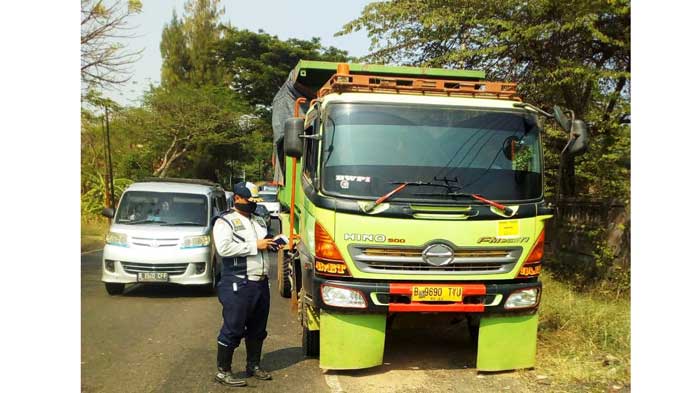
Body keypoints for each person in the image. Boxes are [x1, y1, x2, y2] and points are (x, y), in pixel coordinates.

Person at [212, 182, 278, 387]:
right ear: (238, 198)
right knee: (233, 327)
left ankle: (253, 365)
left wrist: (276, 243)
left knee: (258, 328)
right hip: (238, 281)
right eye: (250, 201)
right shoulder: (225, 221)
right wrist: (254, 246)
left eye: (255, 202)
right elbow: (223, 249)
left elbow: (264, 243)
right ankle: (223, 371)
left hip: (260, 282)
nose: (252, 205)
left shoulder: (258, 220)